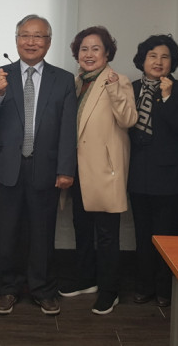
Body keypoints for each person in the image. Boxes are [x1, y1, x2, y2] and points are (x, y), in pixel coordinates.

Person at [0, 15, 77, 316]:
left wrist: (65, 168)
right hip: (6, 167)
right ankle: (7, 289)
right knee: (6, 233)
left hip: (45, 167)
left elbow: (68, 128)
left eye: (38, 36)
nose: (31, 42)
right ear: (16, 39)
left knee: (42, 234)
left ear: (48, 42)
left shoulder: (63, 79)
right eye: (25, 35)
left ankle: (43, 289)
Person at [59, 26, 137, 315]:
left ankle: (109, 290)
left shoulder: (118, 80)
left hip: (104, 170)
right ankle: (86, 279)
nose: (89, 54)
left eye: (95, 49)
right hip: (78, 170)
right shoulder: (77, 82)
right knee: (81, 227)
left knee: (106, 235)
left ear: (107, 53)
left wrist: (114, 90)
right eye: (84, 49)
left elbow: (128, 119)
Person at [127, 35, 178, 307]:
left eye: (165, 57)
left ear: (172, 62)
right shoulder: (130, 88)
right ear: (143, 60)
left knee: (166, 235)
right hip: (137, 173)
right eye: (152, 56)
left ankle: (165, 289)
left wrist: (166, 98)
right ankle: (144, 286)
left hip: (168, 176)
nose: (158, 61)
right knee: (142, 235)